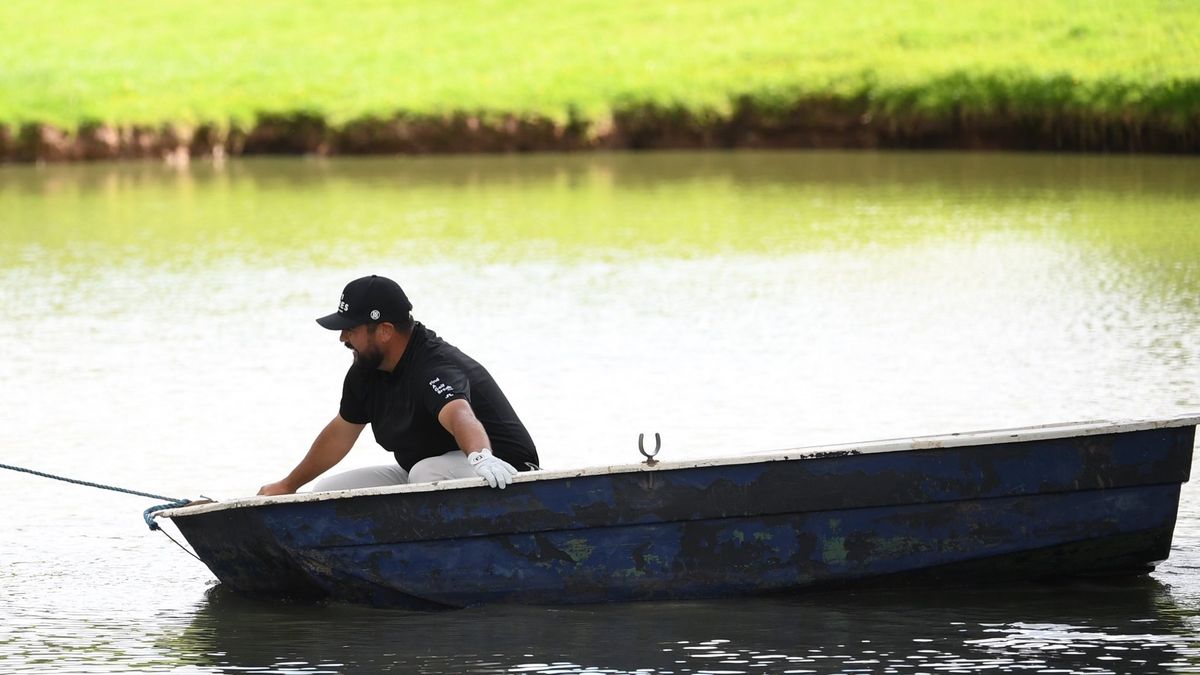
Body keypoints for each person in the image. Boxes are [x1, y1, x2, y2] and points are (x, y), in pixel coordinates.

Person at [258, 275, 538, 495]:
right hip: (428, 473)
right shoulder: (366, 370)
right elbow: (340, 434)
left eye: (351, 329)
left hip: (501, 469)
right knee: (327, 493)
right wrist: (288, 485)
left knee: (426, 474)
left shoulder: (433, 365)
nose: (342, 337)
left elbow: (459, 414)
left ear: (384, 331)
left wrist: (480, 457)